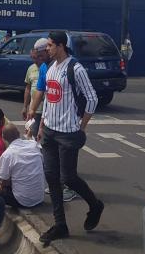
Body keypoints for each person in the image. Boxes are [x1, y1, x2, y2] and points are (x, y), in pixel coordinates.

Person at [27, 31, 103, 245]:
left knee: (68, 178)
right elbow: (49, 101)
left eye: (50, 45)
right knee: (51, 177)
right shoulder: (50, 68)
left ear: (60, 46)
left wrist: (82, 126)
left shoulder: (75, 69)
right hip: (50, 130)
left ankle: (95, 205)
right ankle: (60, 224)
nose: (47, 49)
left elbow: (92, 98)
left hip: (69, 132)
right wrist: (41, 125)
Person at [0, 124, 44, 209]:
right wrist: (29, 137)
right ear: (19, 133)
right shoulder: (34, 145)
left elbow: (5, 182)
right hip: (39, 197)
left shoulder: (7, 154)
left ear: (3, 137)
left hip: (22, 201)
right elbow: (32, 143)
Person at [23, 38, 49, 138]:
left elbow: (43, 91)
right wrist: (26, 107)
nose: (36, 60)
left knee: (42, 138)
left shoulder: (47, 67)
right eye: (33, 58)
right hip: (34, 109)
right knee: (31, 134)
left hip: (46, 111)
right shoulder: (31, 68)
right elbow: (28, 88)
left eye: (38, 57)